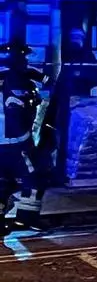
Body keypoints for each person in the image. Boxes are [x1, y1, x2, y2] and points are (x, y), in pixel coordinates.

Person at [0, 42, 52, 234]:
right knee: (34, 177)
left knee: (3, 180)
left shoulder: (18, 76)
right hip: (17, 142)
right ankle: (26, 218)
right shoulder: (23, 76)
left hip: (5, 143)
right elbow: (49, 87)